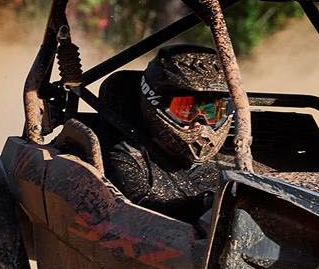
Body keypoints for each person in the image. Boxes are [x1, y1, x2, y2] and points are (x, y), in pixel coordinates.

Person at [98, 44, 238, 221]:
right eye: (185, 110)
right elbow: (137, 211)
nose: (199, 123)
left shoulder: (234, 162)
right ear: (154, 103)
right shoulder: (128, 156)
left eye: (211, 111)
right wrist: (206, 204)